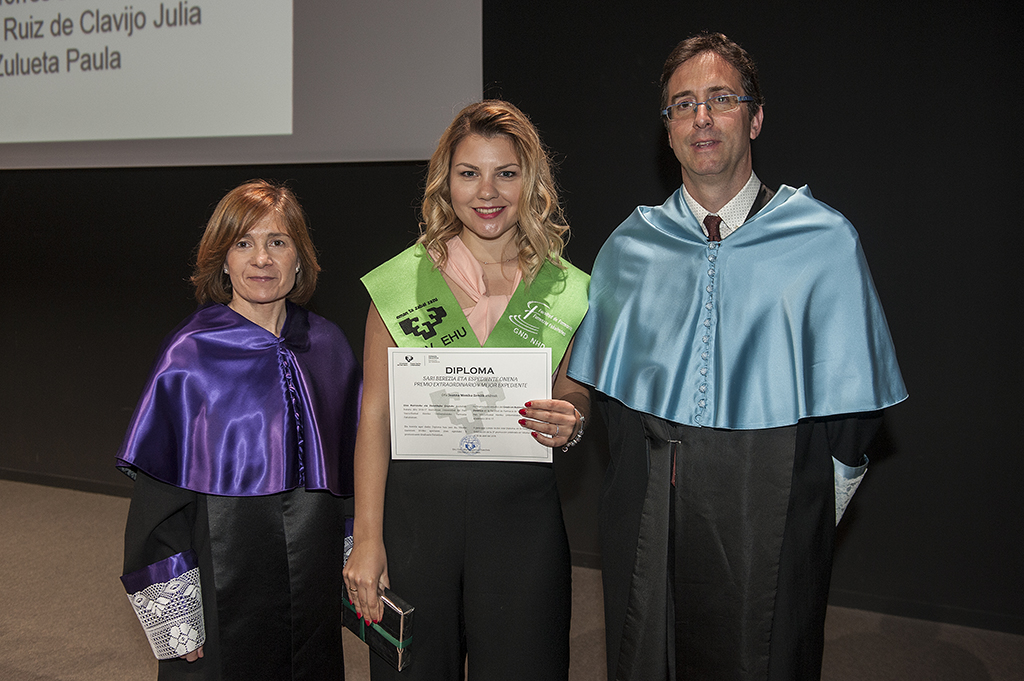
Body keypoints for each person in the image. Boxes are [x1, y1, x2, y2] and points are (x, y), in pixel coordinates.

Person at [567, 33, 908, 681]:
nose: (701, 117)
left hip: (773, 511)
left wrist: (812, 507)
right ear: (668, 130)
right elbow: (610, 404)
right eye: (683, 104)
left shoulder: (822, 241)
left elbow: (856, 414)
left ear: (754, 118)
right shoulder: (630, 249)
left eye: (721, 99)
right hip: (652, 515)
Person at [343, 100, 590, 680]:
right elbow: (374, 418)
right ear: (446, 182)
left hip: (523, 525)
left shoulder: (565, 290)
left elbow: (574, 394)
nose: (488, 192)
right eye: (469, 173)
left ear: (531, 182)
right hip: (415, 526)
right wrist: (367, 539)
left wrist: (573, 420)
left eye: (506, 173)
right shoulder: (401, 283)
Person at [116, 180, 361, 680]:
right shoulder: (189, 355)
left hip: (314, 575)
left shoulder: (329, 347)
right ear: (223, 261)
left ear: (300, 258)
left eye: (278, 242)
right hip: (220, 578)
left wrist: (358, 557)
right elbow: (158, 506)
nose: (261, 259)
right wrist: (178, 619)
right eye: (243, 243)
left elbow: (354, 476)